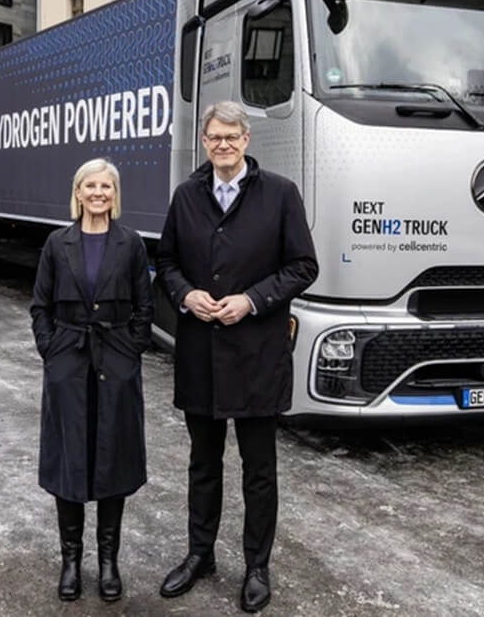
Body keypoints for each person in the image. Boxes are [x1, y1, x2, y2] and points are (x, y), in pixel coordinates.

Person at [156, 101, 318, 613]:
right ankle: (200, 554)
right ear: (204, 142)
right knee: (203, 464)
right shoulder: (186, 197)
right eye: (213, 138)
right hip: (201, 353)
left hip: (257, 355)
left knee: (258, 469)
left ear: (247, 140)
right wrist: (186, 295)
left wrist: (252, 300)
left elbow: (303, 266)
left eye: (231, 137)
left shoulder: (280, 195)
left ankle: (256, 566)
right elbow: (166, 261)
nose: (222, 145)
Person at [30, 158, 154, 603]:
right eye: (90, 185)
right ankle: (70, 561)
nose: (98, 193)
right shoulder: (56, 243)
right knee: (70, 457)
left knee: (111, 458)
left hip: (115, 366)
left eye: (106, 186)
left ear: (114, 194)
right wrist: (52, 351)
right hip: (68, 364)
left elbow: (145, 306)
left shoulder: (131, 243)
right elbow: (40, 306)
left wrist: (130, 351)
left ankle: (107, 562)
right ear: (77, 192)